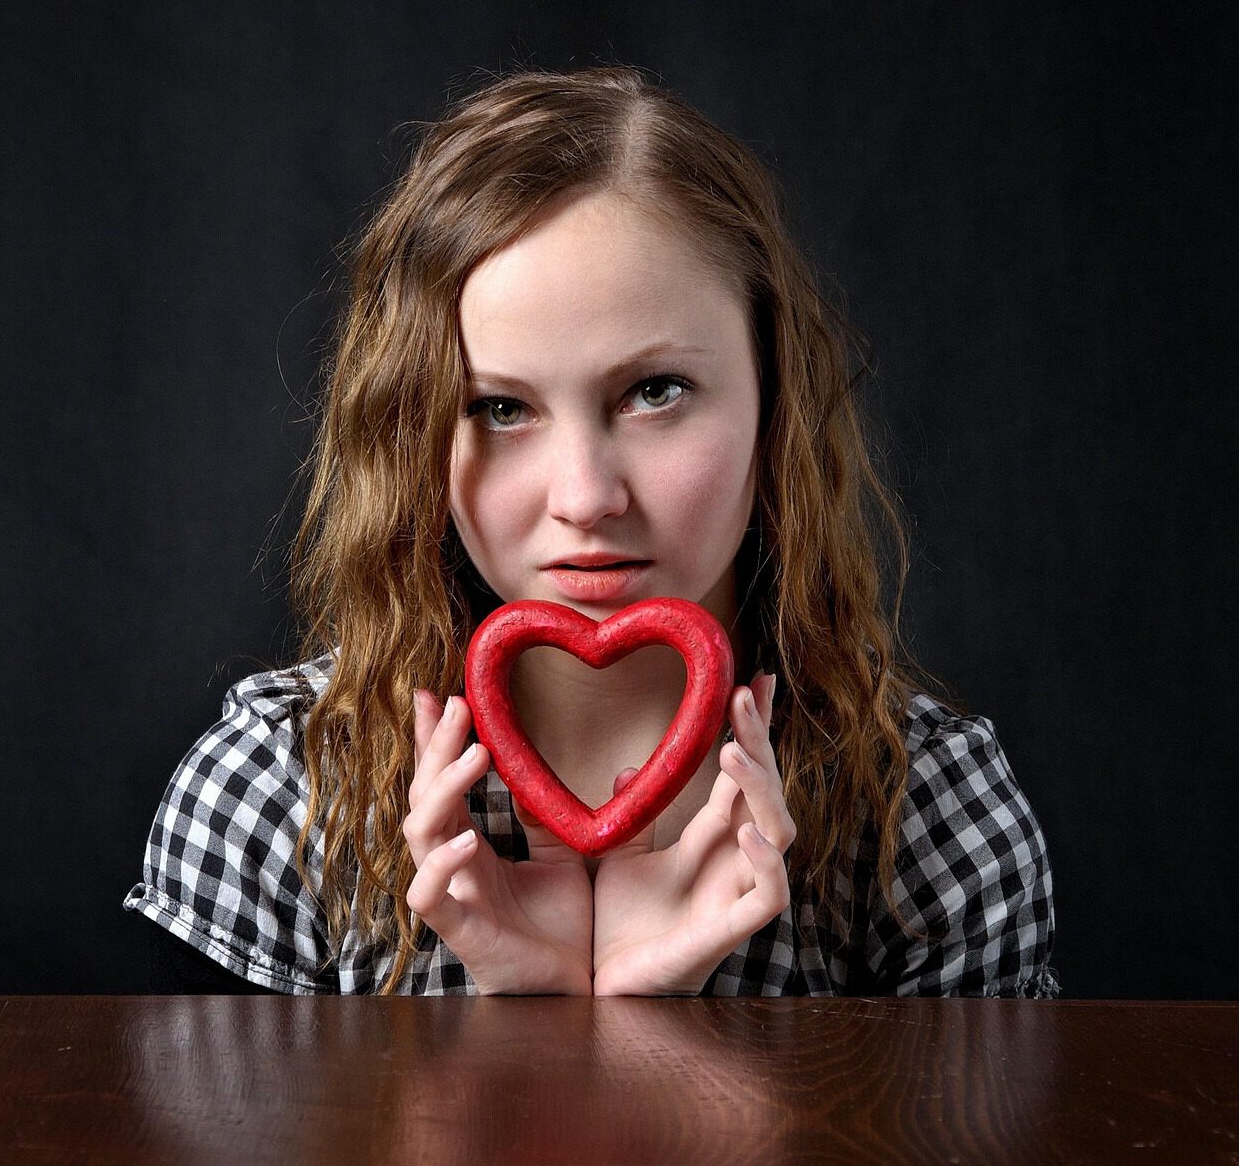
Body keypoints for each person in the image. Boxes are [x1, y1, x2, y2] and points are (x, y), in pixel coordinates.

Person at [124, 65, 1058, 998]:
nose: (585, 498)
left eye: (655, 391)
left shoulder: (934, 817)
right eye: (499, 407)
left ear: (778, 403)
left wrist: (657, 1017)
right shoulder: (273, 798)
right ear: (414, 435)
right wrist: (534, 1005)